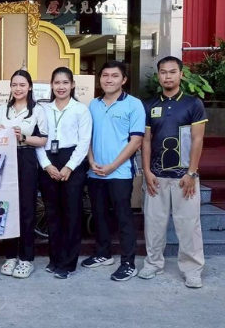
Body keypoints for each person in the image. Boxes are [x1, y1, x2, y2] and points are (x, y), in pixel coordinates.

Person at [139, 56, 208, 288]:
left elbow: (197, 140)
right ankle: (153, 263)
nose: (167, 76)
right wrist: (147, 171)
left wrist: (192, 173)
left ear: (181, 74)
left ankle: (192, 269)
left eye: (172, 72)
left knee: (188, 225)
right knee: (154, 223)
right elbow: (146, 141)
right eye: (163, 72)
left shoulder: (193, 104)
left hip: (184, 178)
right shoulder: (149, 105)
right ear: (158, 75)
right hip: (156, 177)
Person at [82, 61, 146, 281]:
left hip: (120, 173)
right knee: (99, 215)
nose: (109, 79)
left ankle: (128, 263)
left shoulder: (134, 104)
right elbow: (87, 137)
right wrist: (91, 161)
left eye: (114, 76)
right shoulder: (93, 104)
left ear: (124, 80)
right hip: (95, 172)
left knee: (123, 217)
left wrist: (113, 166)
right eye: (105, 75)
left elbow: (136, 141)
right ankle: (103, 254)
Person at [36, 67, 92, 279]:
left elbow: (84, 142)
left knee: (71, 214)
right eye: (57, 83)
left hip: (73, 163)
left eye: (65, 83)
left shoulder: (81, 110)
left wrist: (69, 166)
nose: (61, 87)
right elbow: (38, 139)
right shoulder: (43, 109)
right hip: (48, 161)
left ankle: (68, 263)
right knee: (52, 213)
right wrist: (46, 165)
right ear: (51, 85)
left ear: (72, 85)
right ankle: (55, 258)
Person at [0, 69, 48, 279]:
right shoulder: (3, 109)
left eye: (22, 85)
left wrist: (23, 137)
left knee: (27, 208)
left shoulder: (38, 110)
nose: (18, 89)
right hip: (5, 159)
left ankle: (26, 259)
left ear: (30, 87)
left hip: (26, 157)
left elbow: (43, 140)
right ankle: (10, 256)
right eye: (14, 85)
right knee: (6, 208)